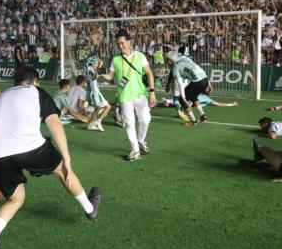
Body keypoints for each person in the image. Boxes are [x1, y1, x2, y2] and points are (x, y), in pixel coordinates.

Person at [0, 67, 101, 249]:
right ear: (34, 81)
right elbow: (54, 123)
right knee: (61, 170)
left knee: (16, 198)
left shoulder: (0, 98)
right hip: (26, 145)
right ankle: (89, 208)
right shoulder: (36, 91)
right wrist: (66, 157)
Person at [100, 30, 156, 161]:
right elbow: (109, 76)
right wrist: (99, 74)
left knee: (145, 120)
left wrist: (152, 92)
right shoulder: (116, 60)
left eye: (122, 43)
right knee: (130, 123)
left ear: (129, 42)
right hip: (124, 96)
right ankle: (135, 150)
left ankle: (140, 141)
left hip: (140, 94)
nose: (120, 46)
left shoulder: (140, 56)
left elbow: (149, 74)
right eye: (118, 44)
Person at [165, 50, 210, 125]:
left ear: (170, 60)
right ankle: (203, 117)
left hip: (197, 82)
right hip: (205, 79)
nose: (166, 62)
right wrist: (208, 83)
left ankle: (193, 121)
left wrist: (183, 97)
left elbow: (180, 84)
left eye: (167, 60)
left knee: (181, 100)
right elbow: (198, 69)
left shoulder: (175, 67)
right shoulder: (185, 59)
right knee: (193, 96)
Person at [85, 56, 111, 131]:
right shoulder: (90, 70)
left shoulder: (90, 69)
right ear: (92, 63)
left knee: (98, 108)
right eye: (96, 63)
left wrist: (99, 67)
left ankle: (91, 124)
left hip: (94, 92)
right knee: (108, 107)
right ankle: (98, 121)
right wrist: (100, 66)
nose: (97, 64)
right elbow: (95, 76)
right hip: (95, 93)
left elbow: (97, 74)